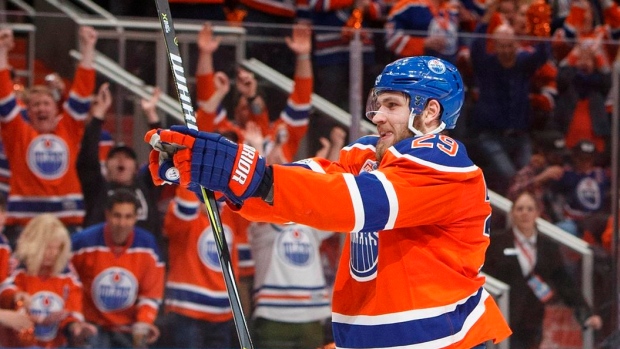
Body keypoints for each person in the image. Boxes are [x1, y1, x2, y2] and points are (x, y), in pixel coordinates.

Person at [145, 56, 512, 349]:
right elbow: (313, 182)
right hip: (380, 340)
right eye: (377, 103)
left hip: (438, 341)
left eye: (391, 105)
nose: (377, 115)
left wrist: (254, 178)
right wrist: (230, 180)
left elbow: (355, 203)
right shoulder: (372, 154)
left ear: (430, 112)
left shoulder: (444, 163)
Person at [0, 26, 98, 245]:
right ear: (28, 111)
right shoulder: (18, 133)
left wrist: (88, 48)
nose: (41, 108)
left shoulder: (68, 129)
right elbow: (4, 99)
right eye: (35, 105)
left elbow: (82, 95)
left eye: (46, 103)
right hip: (25, 225)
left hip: (66, 222)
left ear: (56, 109)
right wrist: (2, 51)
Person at [483, 190, 603, 349]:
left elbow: (564, 282)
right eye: (519, 209)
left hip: (532, 321)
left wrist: (586, 314)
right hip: (501, 316)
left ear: (537, 213)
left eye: (529, 209)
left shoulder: (548, 246)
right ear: (512, 213)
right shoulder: (496, 243)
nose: (524, 213)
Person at [77, 84, 165, 256]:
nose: (121, 160)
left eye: (127, 157)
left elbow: (163, 157)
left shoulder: (147, 186)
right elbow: (87, 158)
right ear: (106, 165)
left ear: (135, 167)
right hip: (102, 258)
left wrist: (152, 116)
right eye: (115, 157)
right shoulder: (96, 189)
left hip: (143, 259)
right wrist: (99, 114)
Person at [70, 189, 164, 348]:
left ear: (136, 218)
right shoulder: (82, 242)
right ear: (107, 214)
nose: (122, 223)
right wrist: (76, 321)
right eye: (117, 216)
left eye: (128, 217)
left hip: (129, 328)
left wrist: (143, 324)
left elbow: (151, 294)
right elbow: (69, 284)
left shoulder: (148, 246)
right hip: (92, 327)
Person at [0, 213, 97, 348]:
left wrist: (75, 327)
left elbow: (72, 311)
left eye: (57, 248)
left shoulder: (67, 276)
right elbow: (14, 314)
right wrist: (40, 318)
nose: (53, 253)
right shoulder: (16, 271)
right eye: (48, 247)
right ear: (33, 245)